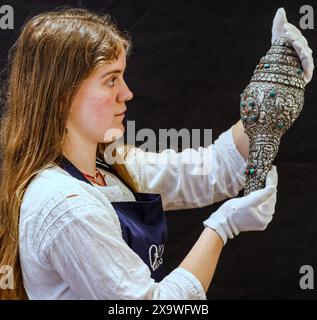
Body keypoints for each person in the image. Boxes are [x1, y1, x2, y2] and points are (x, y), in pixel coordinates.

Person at [0, 7, 313, 300]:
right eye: (111, 80)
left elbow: (212, 169)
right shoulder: (66, 208)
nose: (127, 93)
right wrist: (222, 226)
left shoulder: (109, 165)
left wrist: (274, 87)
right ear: (61, 96)